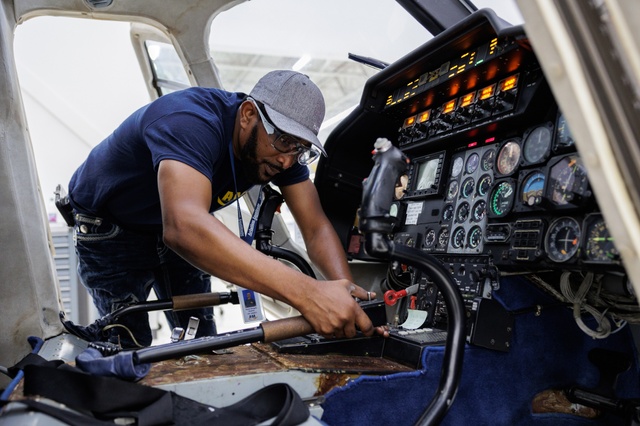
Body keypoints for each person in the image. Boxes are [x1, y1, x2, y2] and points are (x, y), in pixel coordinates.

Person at [68, 70, 384, 348]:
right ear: (248, 114)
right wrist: (309, 294)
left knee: (199, 340)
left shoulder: (280, 151)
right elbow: (183, 227)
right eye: (285, 141)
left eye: (301, 149)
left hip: (174, 221)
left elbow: (315, 227)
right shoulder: (188, 121)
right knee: (128, 343)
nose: (288, 160)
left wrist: (351, 300)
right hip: (112, 227)